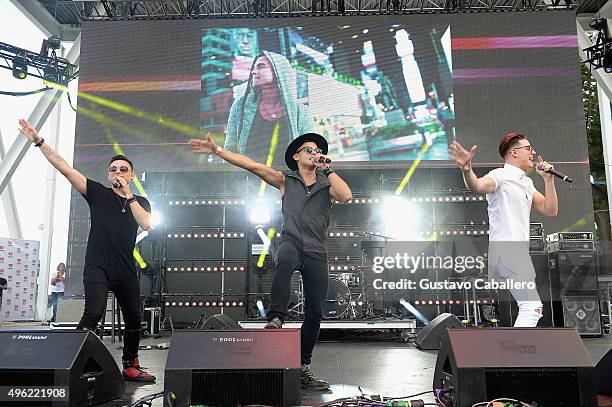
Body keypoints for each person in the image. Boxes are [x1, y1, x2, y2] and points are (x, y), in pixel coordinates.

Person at [189, 132, 352, 390]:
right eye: (308, 149)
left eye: (317, 149)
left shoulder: (326, 184)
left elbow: (346, 196)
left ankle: (301, 365)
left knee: (315, 312)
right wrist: (218, 151)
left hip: (317, 251)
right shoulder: (285, 180)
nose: (314, 152)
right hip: (292, 242)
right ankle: (277, 317)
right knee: (285, 258)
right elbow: (251, 165)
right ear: (296, 156)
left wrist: (328, 168)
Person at [18, 119, 155, 382]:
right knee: (93, 312)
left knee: (135, 318)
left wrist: (128, 195)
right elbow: (64, 167)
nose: (117, 172)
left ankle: (130, 364)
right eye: (113, 169)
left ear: (131, 175)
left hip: (125, 269)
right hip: (98, 266)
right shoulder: (97, 193)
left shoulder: (140, 201)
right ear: (107, 174)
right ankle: (73, 361)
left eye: (123, 169)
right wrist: (39, 142)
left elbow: (146, 223)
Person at [449, 133, 558, 327]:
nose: (533, 153)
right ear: (514, 152)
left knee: (531, 308)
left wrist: (548, 180)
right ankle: (518, 355)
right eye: (528, 148)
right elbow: (477, 186)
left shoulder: (527, 182)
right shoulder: (500, 175)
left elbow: (550, 210)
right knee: (532, 308)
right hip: (508, 250)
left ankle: (517, 353)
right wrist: (467, 169)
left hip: (517, 251)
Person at [224, 50, 316, 165]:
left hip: (285, 181)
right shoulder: (240, 107)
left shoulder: (301, 112)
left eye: (261, 67)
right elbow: (229, 150)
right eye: (254, 67)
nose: (253, 72)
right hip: (248, 181)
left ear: (279, 72)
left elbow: (312, 154)